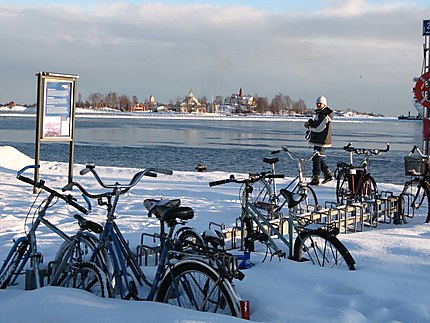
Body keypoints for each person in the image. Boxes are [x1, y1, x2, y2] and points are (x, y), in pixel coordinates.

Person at [304, 95, 334, 186]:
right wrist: (311, 123)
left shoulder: (325, 114)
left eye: (320, 103)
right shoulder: (320, 113)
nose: (318, 105)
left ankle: (316, 178)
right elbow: (317, 124)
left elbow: (319, 128)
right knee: (317, 157)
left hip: (322, 140)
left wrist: (310, 127)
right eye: (317, 103)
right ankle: (327, 174)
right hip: (318, 139)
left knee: (317, 157)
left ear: (324, 104)